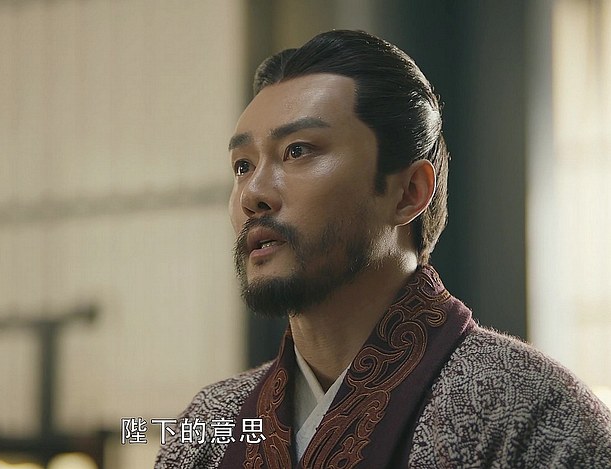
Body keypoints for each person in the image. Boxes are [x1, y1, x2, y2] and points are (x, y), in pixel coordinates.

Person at [155, 30, 611, 468]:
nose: (253, 193)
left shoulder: (532, 411)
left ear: (409, 192)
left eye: (297, 151)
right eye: (242, 165)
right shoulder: (208, 425)